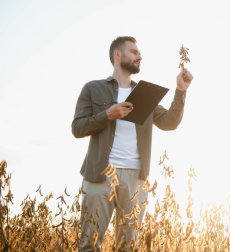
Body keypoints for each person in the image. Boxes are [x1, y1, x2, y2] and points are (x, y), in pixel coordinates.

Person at [72, 36, 193, 251]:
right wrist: (107, 115)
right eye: (134, 52)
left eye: (139, 53)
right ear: (118, 55)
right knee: (88, 245)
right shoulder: (93, 88)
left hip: (135, 179)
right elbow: (77, 128)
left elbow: (169, 122)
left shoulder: (145, 94)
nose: (140, 56)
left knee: (128, 247)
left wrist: (181, 90)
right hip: (99, 175)